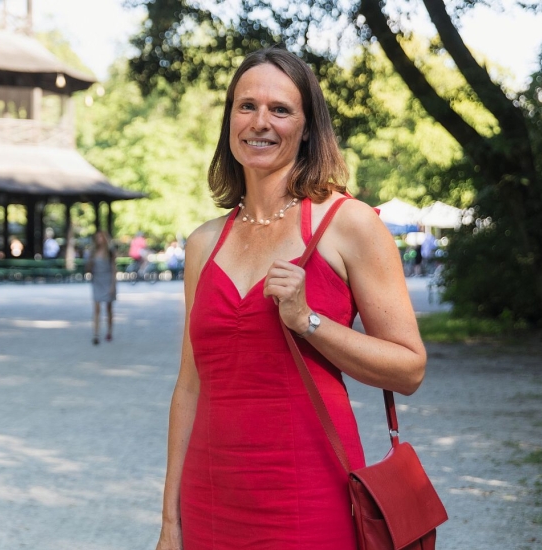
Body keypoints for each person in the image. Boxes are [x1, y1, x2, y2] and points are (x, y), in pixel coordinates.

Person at [156, 47, 427, 550]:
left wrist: (308, 320)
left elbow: (409, 369)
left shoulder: (348, 224)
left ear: (306, 127)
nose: (261, 121)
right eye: (246, 106)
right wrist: (170, 521)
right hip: (208, 500)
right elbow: (189, 388)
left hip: (310, 497)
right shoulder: (202, 244)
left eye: (280, 109)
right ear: (229, 120)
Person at [85, 231, 116, 345]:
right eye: (97, 238)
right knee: (96, 308)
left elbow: (114, 269)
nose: (99, 240)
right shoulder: (93, 252)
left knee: (109, 308)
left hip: (107, 280)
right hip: (97, 281)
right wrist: (89, 263)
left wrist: (113, 285)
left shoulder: (110, 252)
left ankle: (109, 331)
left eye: (101, 238)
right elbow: (88, 269)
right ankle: (96, 334)